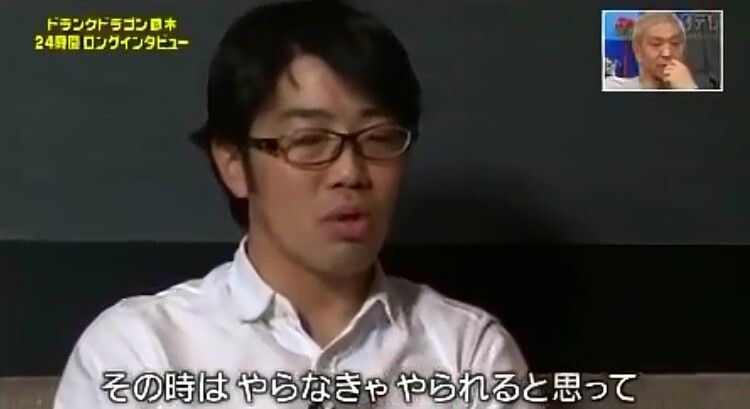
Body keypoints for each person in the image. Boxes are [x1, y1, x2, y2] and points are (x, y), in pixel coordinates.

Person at [55, 1, 535, 407]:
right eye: (309, 140)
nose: (351, 173)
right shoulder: (140, 354)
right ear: (233, 162)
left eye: (379, 137)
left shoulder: (467, 355)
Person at [605, 12, 698, 90]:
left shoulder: (691, 87)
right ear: (637, 51)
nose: (667, 53)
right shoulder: (612, 88)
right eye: (656, 44)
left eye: (675, 43)